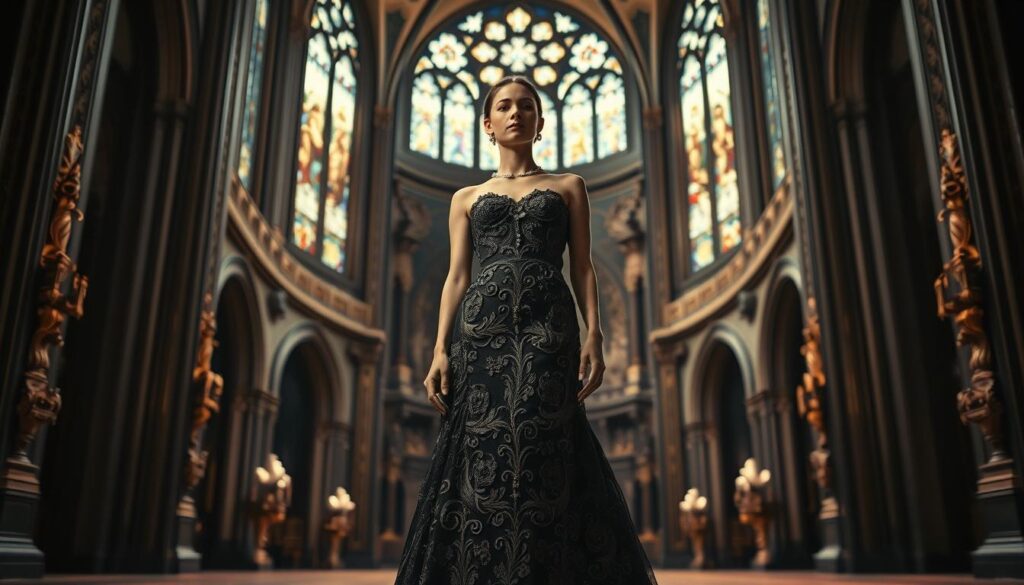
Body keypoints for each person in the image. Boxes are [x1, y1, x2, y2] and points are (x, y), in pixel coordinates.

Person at [394, 75, 658, 585]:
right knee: (483, 453)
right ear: (487, 124)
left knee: (542, 451)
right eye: (505, 107)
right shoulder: (466, 197)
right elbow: (456, 276)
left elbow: (582, 267)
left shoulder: (568, 186)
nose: (516, 113)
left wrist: (594, 335)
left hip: (547, 334)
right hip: (481, 338)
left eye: (527, 106)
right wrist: (439, 351)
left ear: (540, 122)